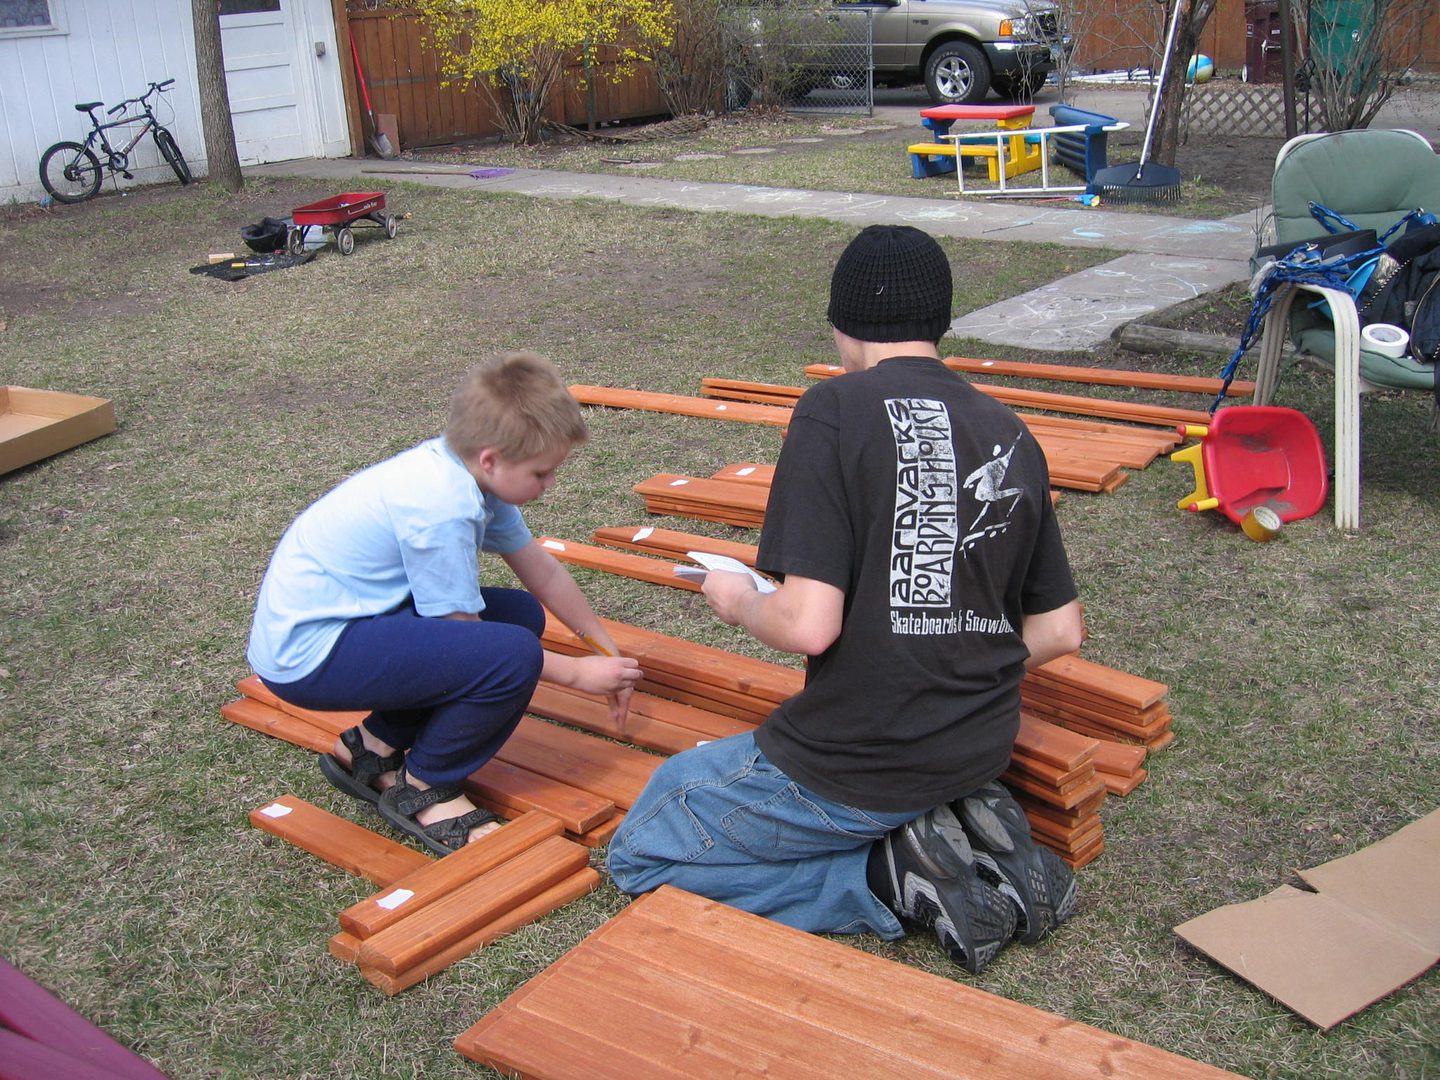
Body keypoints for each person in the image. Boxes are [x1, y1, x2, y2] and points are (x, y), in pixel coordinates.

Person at [608, 225, 1085, 973]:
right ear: (941, 324)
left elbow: (808, 625)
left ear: (842, 322)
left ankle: (884, 878)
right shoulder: (1009, 430)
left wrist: (736, 599)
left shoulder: (835, 410)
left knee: (644, 847)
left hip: (865, 756)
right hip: (979, 743)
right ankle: (946, 817)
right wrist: (949, 654)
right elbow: (1060, 630)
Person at [247, 351, 641, 856]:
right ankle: (426, 785)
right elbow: (465, 636)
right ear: (492, 458)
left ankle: (373, 747)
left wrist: (602, 647)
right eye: (542, 474)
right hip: (308, 658)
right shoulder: (441, 506)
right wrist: (577, 675)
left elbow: (539, 567)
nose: (550, 486)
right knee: (509, 654)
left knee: (518, 615)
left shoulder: (467, 471)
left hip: (346, 626)